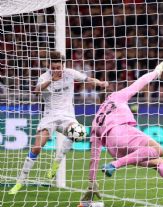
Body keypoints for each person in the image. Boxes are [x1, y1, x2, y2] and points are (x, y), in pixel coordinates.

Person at [81, 62, 163, 201]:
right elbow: (139, 83)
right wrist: (156, 72)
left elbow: (95, 156)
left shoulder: (95, 121)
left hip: (115, 150)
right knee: (158, 149)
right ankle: (114, 165)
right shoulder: (116, 96)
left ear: (100, 103)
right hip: (123, 132)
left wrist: (91, 182)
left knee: (158, 162)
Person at [8, 51, 109, 195]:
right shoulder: (44, 77)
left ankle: (56, 163)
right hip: (50, 116)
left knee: (79, 132)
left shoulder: (70, 73)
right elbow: (36, 91)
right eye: (53, 67)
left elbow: (87, 79)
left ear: (63, 65)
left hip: (67, 116)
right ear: (50, 66)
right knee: (36, 148)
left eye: (58, 67)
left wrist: (100, 83)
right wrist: (52, 80)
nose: (56, 70)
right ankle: (19, 182)